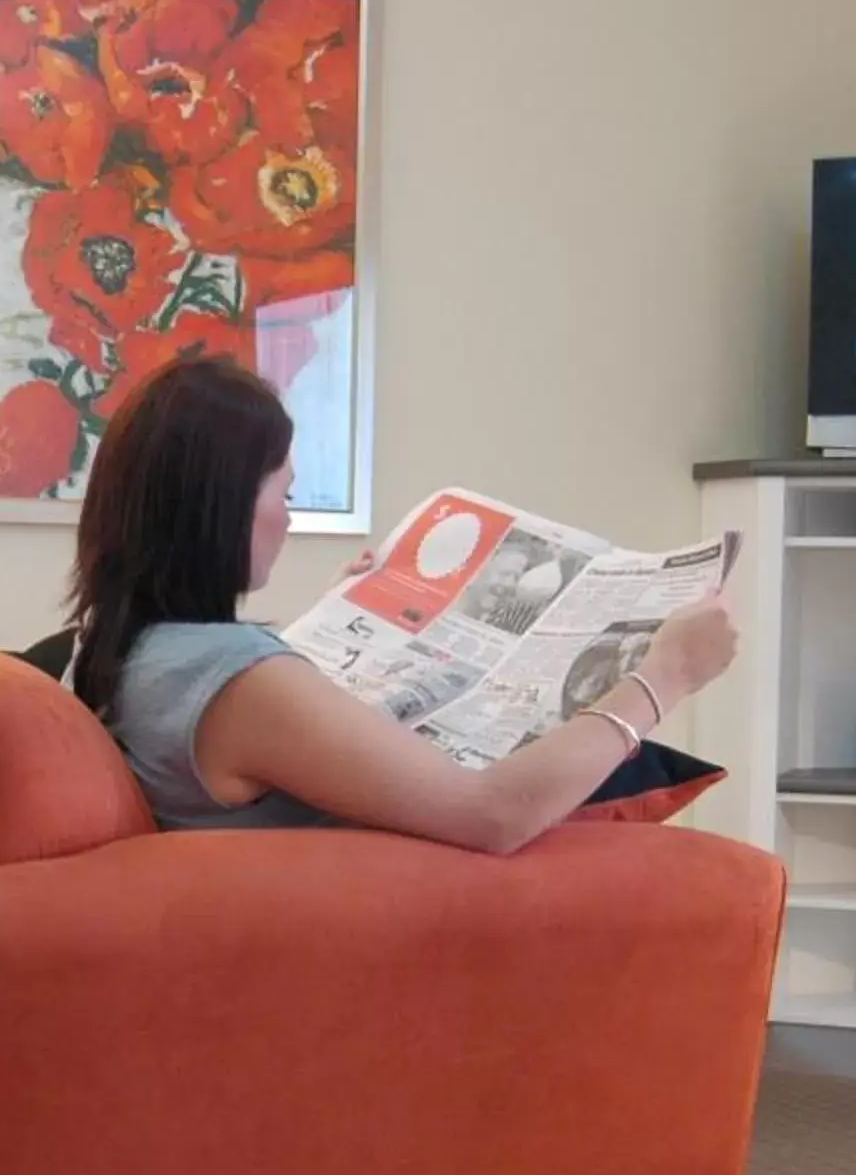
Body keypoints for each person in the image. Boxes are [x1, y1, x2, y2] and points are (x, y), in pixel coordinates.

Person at [59, 357, 739, 851]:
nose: (288, 520)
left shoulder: (113, 649)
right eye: (283, 493)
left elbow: (231, 715)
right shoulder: (238, 682)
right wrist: (664, 677)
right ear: (224, 508)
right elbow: (492, 816)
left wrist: (332, 620)